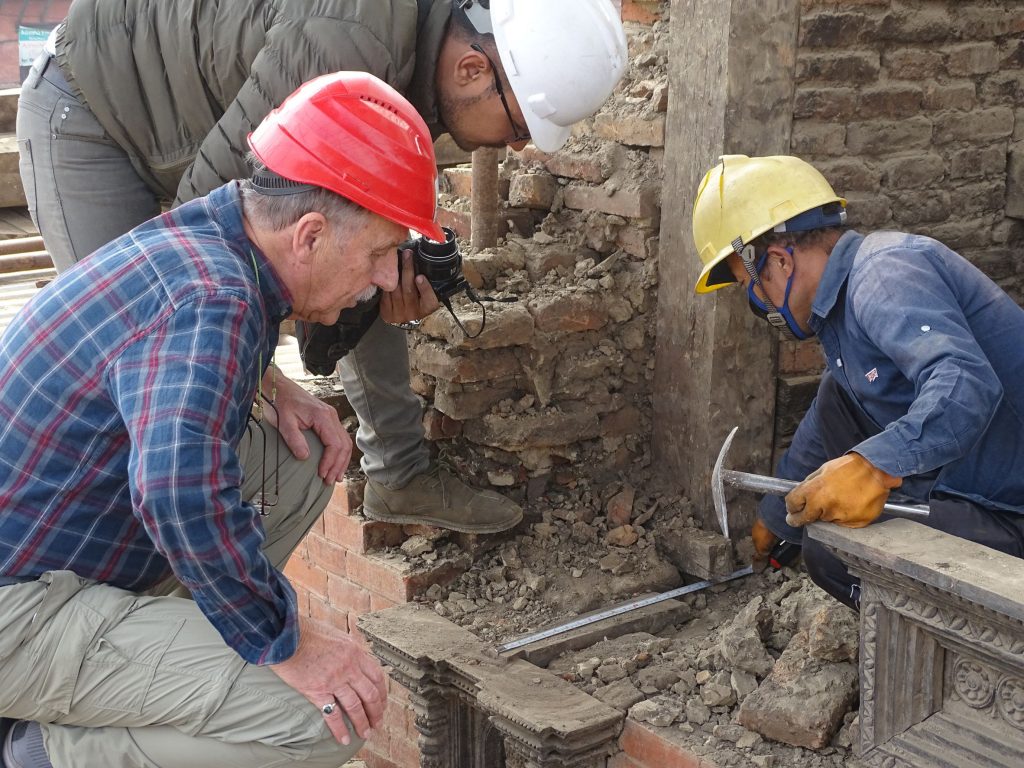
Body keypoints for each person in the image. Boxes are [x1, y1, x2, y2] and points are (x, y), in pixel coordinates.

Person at [16, 0, 629, 536]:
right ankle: (127, 619)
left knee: (370, 242)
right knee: (146, 367)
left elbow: (349, 226)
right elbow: (203, 246)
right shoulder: (343, 40)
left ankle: (400, 473)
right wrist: (268, 382)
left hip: (195, 113)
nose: (518, 147)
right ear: (472, 69)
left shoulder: (427, 46)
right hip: (93, 113)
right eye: (520, 126)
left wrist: (384, 273)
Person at [0, 71, 443, 768]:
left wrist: (269, 385)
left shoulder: (217, 238)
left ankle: (169, 661)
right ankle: (36, 750)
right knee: (322, 716)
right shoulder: (216, 301)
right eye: (381, 252)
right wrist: (285, 640)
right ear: (311, 235)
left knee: (293, 467)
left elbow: (158, 349)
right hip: (16, 616)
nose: (389, 278)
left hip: (41, 557)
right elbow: (176, 490)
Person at [690, 154, 1024, 610]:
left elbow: (964, 382)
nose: (758, 302)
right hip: (980, 476)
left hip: (1011, 508)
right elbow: (834, 412)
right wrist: (779, 515)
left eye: (751, 287)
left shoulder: (883, 276)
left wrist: (874, 466)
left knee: (833, 554)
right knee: (838, 394)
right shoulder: (846, 307)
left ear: (780, 261)